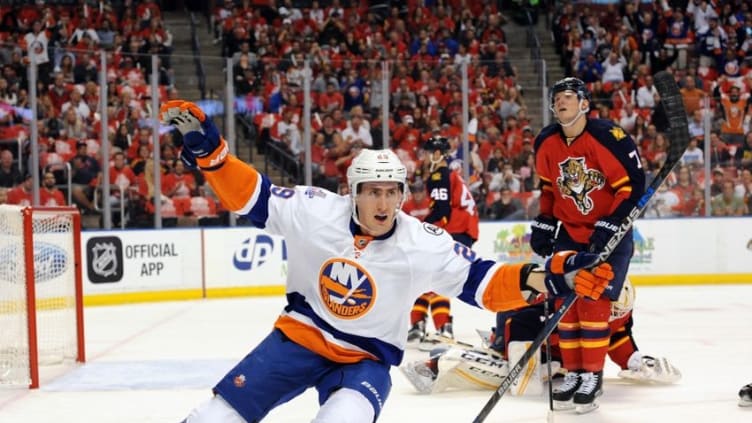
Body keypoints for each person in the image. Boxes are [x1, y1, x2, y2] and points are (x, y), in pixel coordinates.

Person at [158, 100, 614, 423]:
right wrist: (212, 157)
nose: (382, 202)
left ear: (402, 194)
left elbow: (487, 283)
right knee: (214, 416)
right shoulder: (316, 211)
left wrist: (557, 275)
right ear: (353, 193)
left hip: (366, 360)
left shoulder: (421, 242)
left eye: (391, 192)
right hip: (298, 340)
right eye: (372, 191)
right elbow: (254, 197)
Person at [530, 77, 646, 413]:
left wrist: (610, 225)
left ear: (584, 104)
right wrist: (544, 221)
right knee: (566, 299)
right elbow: (550, 190)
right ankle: (574, 372)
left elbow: (632, 188)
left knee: (593, 299)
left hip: (610, 233)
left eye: (567, 96)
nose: (560, 102)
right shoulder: (547, 142)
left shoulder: (607, 137)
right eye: (557, 98)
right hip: (570, 233)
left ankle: (592, 376)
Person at [400, 280, 681, 396]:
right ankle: (439, 365)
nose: (617, 315)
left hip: (552, 347)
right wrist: (508, 350)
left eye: (621, 310)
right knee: (526, 383)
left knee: (553, 371)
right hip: (517, 324)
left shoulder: (615, 309)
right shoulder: (564, 304)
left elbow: (617, 335)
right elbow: (516, 318)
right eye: (614, 309)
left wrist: (635, 360)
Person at [406, 136, 480, 346]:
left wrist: (421, 228)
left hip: (455, 230)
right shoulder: (450, 174)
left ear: (437, 154)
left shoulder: (438, 175)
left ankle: (438, 328)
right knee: (428, 278)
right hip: (464, 230)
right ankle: (428, 325)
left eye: (430, 151)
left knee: (432, 279)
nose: (428, 156)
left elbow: (442, 211)